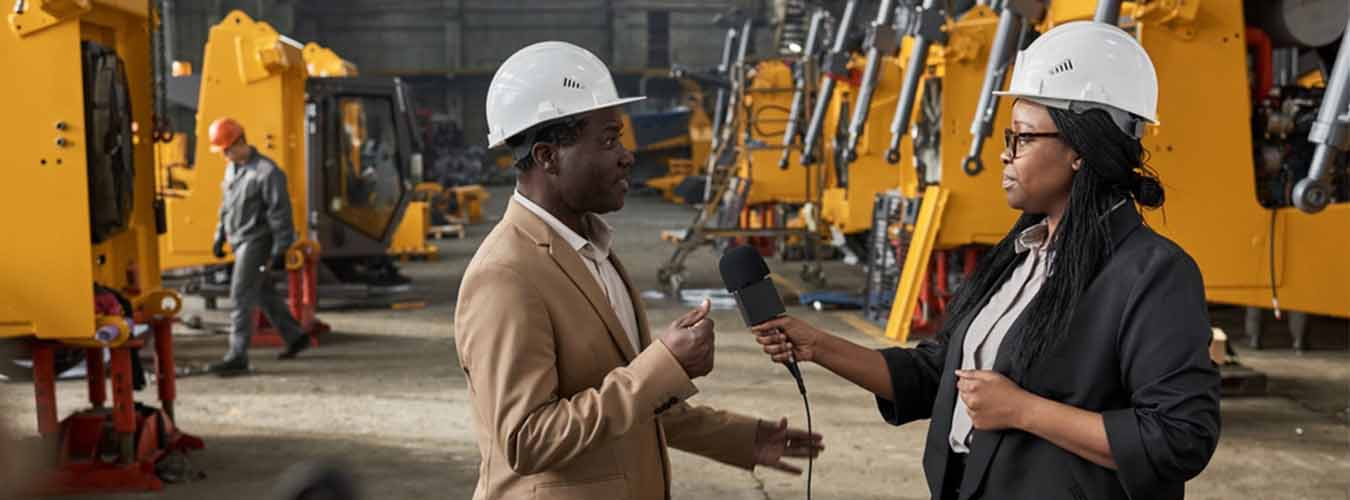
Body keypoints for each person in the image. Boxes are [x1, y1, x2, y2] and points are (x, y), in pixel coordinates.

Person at [750, 22, 1220, 500]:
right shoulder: (1023, 255)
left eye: (1021, 138)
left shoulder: (1152, 274)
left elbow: (1179, 438)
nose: (1004, 156)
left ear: (1080, 150)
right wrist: (818, 346)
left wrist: (1022, 411)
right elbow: (939, 375)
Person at [455, 41, 823, 500]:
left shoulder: (594, 251)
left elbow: (630, 400)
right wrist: (662, 364)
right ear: (548, 156)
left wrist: (740, 437)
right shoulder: (506, 274)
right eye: (608, 140)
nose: (627, 155)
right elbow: (527, 440)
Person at [207, 117, 310, 376]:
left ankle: (237, 355)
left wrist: (281, 248)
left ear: (240, 142)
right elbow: (225, 206)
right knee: (263, 293)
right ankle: (296, 336)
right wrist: (219, 236)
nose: (225, 156)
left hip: (256, 241)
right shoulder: (232, 169)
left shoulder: (267, 172)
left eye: (227, 150)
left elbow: (280, 213)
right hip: (238, 239)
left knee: (240, 295)